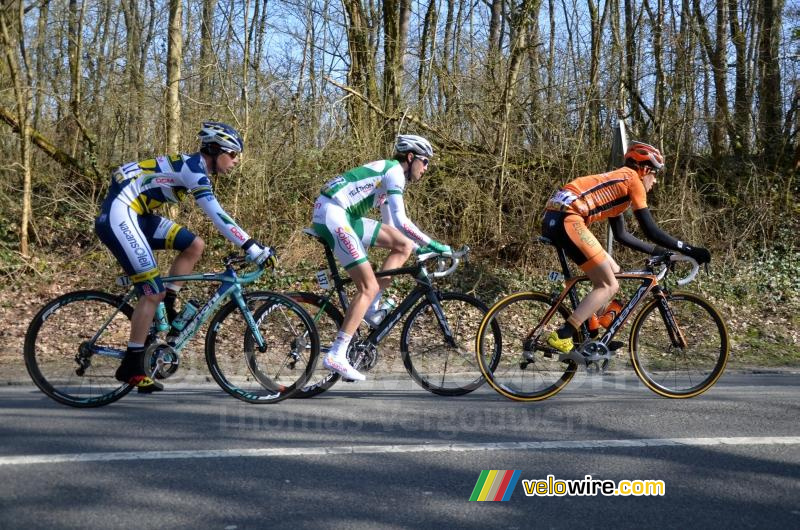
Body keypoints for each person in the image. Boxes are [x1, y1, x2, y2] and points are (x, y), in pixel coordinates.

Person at [95, 121, 275, 392]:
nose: (236, 161)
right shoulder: (194, 172)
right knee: (150, 293)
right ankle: (131, 366)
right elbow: (218, 216)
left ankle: (167, 301)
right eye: (233, 154)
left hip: (136, 212)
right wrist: (251, 246)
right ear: (215, 151)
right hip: (120, 213)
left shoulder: (192, 166)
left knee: (194, 245)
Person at [541, 141, 711, 353]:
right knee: (608, 285)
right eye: (655, 174)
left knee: (614, 272)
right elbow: (651, 230)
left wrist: (658, 252)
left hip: (556, 216)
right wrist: (689, 249)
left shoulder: (619, 182)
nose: (655, 181)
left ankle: (592, 337)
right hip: (569, 218)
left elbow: (622, 235)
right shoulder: (633, 181)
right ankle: (563, 335)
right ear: (645, 169)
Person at [311, 134, 451, 381]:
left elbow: (391, 227)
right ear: (411, 157)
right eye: (425, 162)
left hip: (341, 213)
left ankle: (372, 306)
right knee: (367, 286)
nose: (427, 168)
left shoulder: (389, 177)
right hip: (334, 215)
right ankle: (337, 352)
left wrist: (419, 250)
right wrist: (435, 245)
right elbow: (401, 220)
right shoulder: (394, 172)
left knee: (403, 245)